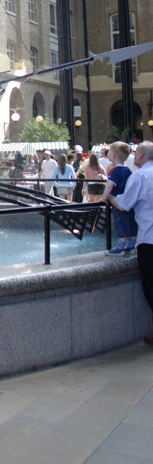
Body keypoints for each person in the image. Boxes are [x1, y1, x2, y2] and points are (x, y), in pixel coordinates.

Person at [112, 141, 153, 344]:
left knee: (151, 285)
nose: (133, 156)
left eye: (136, 153)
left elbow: (123, 204)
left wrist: (109, 197)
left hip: (149, 239)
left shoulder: (140, 176)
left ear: (142, 155)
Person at [100, 141, 136, 255]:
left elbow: (109, 185)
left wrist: (103, 198)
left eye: (109, 151)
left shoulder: (114, 171)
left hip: (118, 200)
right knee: (131, 222)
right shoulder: (128, 170)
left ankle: (120, 245)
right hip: (128, 202)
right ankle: (131, 246)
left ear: (114, 155)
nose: (107, 153)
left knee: (120, 222)